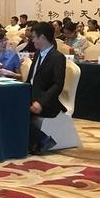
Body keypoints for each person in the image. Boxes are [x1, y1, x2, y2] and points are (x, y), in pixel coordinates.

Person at [27, 21, 66, 154]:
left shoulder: (57, 57)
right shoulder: (38, 54)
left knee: (16, 112)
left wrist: (41, 102)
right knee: (8, 107)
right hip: (31, 96)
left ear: (42, 37)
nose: (32, 41)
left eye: (34, 37)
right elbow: (30, 80)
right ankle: (39, 139)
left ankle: (42, 140)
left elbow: (57, 85)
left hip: (47, 102)